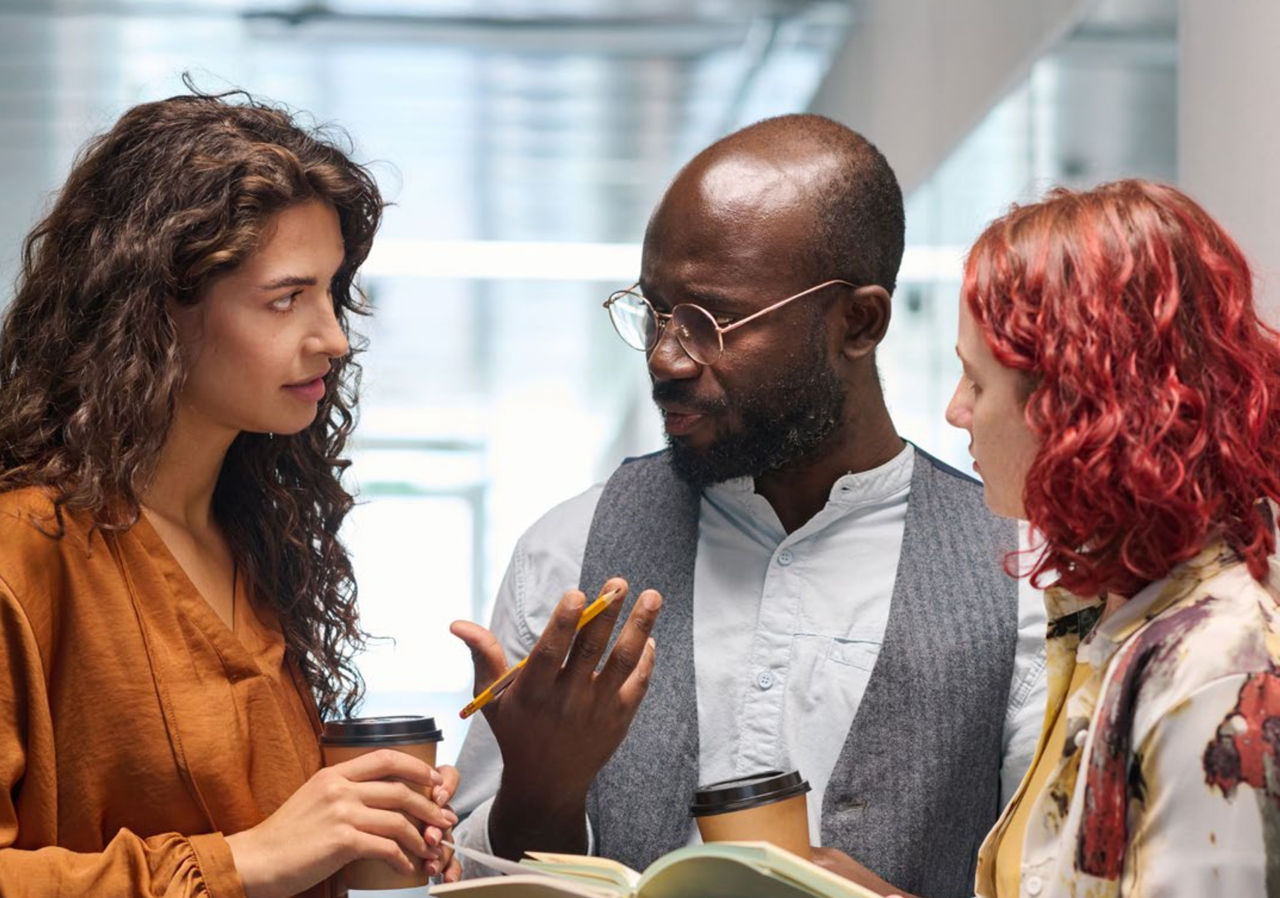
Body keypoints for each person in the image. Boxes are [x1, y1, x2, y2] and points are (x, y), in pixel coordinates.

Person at [450, 113, 1047, 898]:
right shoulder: (567, 554)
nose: (666, 356)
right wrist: (540, 790)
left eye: (711, 320)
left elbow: (1063, 877)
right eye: (656, 312)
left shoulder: (1025, 578)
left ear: (858, 323)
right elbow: (476, 881)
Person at [0, 89, 459, 897]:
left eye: (333, 292)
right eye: (286, 298)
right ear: (156, 311)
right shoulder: (23, 552)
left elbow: (267, 841)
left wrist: (356, 828)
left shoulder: (249, 535)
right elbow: (249, 858)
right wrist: (245, 862)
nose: (335, 337)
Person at [941, 179, 1280, 898]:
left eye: (975, 382)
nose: (954, 411)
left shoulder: (1218, 668)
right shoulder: (1122, 616)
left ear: (1074, 406)